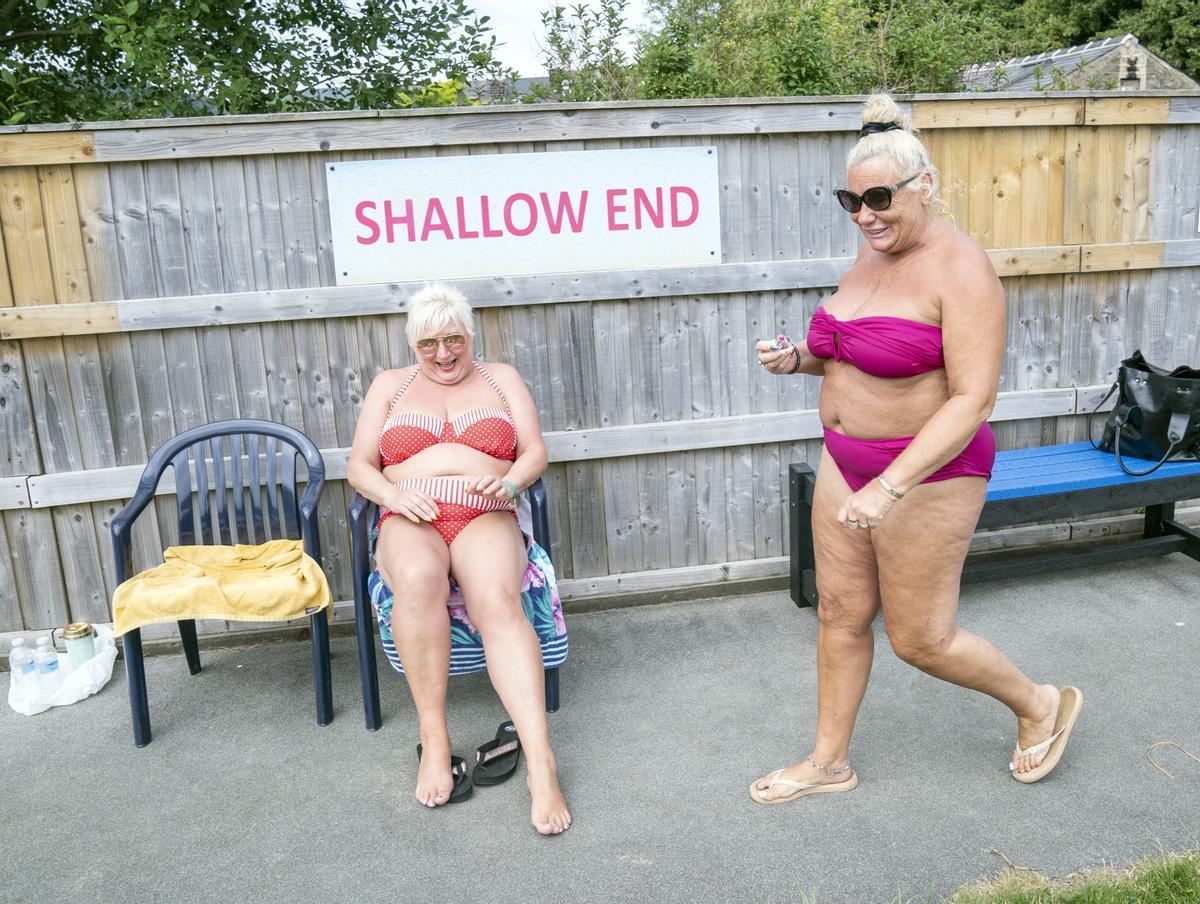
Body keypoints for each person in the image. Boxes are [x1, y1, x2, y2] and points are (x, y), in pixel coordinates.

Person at [750, 94, 1082, 804]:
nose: (864, 214)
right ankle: (829, 763)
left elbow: (972, 399)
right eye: (851, 199)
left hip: (927, 473)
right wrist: (797, 359)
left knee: (920, 639)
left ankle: (1039, 703)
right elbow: (849, 355)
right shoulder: (869, 258)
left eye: (878, 198)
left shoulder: (960, 267)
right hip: (846, 463)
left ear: (923, 187)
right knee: (840, 613)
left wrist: (890, 486)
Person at [347, 284, 571, 835]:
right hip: (409, 516)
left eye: (453, 340)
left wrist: (510, 481)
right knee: (419, 580)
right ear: (412, 344)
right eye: (429, 344)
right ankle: (435, 737)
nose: (443, 354)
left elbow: (535, 451)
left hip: (483, 512)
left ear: (470, 335)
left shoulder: (502, 378)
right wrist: (393, 497)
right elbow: (358, 465)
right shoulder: (390, 387)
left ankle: (541, 762)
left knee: (496, 597)